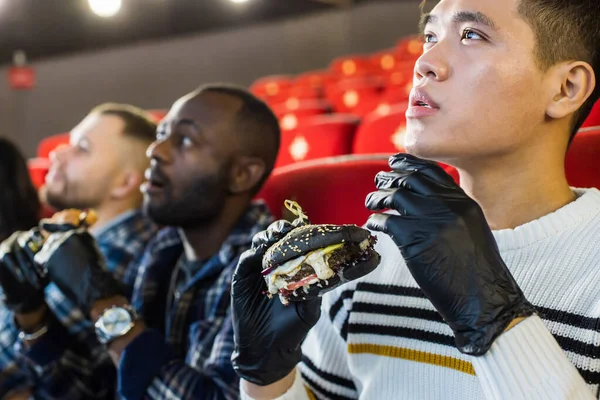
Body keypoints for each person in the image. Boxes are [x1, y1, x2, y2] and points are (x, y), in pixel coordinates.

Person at [231, 0, 600, 399]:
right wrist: (266, 379)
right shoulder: (370, 256)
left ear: (567, 88)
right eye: (430, 36)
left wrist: (495, 313)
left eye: (471, 35)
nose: (424, 61)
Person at [0, 84, 280, 400]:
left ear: (242, 174)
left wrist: (101, 300)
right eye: (161, 134)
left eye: (185, 140)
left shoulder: (270, 272)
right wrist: (32, 316)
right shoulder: (162, 251)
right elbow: (98, 392)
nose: (155, 150)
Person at [0, 104, 158, 399]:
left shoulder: (118, 251)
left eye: (82, 149)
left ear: (124, 182)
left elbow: (11, 360)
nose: (58, 153)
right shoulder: (80, 236)